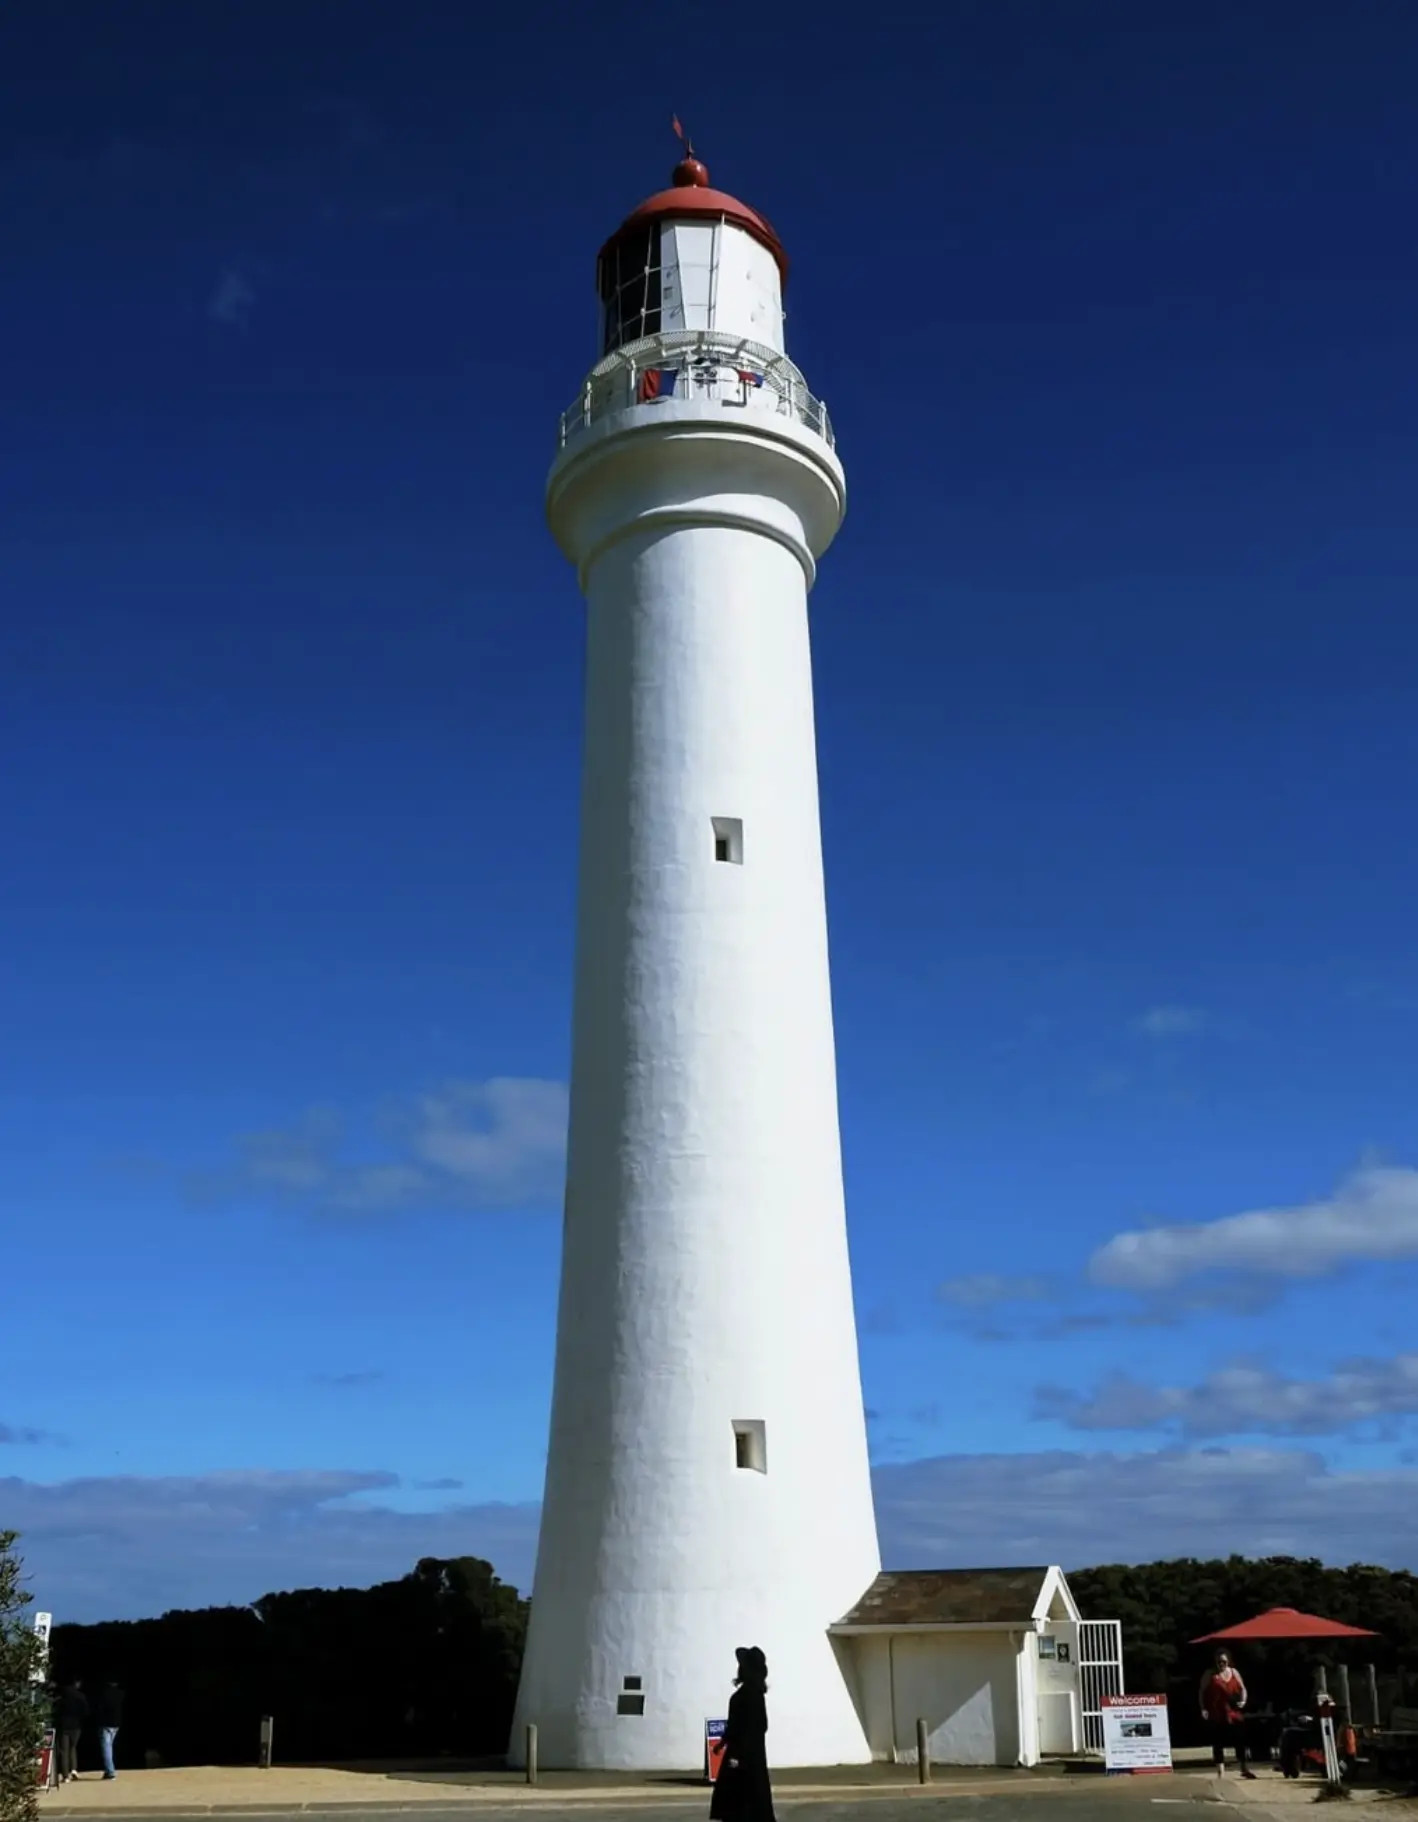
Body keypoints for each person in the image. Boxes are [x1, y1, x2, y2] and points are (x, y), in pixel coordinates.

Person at [709, 1646, 774, 1822]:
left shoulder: (744, 1696)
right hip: (755, 1759)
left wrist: (736, 1754)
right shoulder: (757, 1695)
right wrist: (723, 1743)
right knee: (753, 1805)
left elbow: (742, 1728)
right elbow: (760, 1726)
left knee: (738, 1806)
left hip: (740, 1757)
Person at [1200, 1650, 1255, 1779]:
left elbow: (1243, 1688)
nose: (1221, 1664)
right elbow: (1201, 1692)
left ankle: (1243, 1768)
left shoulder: (1234, 1672)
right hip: (1217, 1712)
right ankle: (1221, 1772)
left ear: (1228, 1661)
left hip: (1233, 1711)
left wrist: (1243, 1700)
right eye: (1219, 1661)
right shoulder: (1210, 1674)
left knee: (1240, 1739)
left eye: (1224, 1661)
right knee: (1218, 1742)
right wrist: (1203, 1708)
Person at [55, 1677, 89, 1784]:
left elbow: (56, 1711)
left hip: (64, 1726)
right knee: (73, 1748)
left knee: (64, 1751)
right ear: (77, 1683)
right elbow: (86, 1712)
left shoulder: (61, 1697)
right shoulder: (81, 1696)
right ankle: (74, 1769)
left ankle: (65, 1776)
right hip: (76, 1726)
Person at [98, 1681, 125, 1780]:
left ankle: (110, 1771)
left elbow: (100, 1708)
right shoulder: (121, 1693)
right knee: (110, 1747)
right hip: (117, 1723)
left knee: (106, 1748)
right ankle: (108, 1770)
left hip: (106, 1723)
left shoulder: (104, 1694)